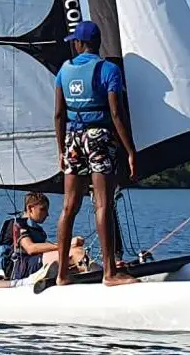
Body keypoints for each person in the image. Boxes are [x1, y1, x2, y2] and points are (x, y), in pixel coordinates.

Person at [54, 21, 137, 286]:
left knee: (69, 207)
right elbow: (116, 112)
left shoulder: (64, 71)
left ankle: (61, 274)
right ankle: (110, 273)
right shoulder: (108, 69)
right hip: (99, 137)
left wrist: (61, 150)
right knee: (102, 204)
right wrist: (130, 150)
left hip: (72, 139)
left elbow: (58, 114)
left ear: (79, 43)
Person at [0, 192, 88, 285]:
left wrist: (69, 246)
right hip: (18, 269)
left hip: (32, 263)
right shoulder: (16, 224)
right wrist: (66, 244)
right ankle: (84, 270)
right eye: (43, 209)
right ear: (30, 208)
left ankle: (85, 270)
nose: (47, 214)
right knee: (73, 252)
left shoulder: (37, 230)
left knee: (77, 250)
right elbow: (30, 248)